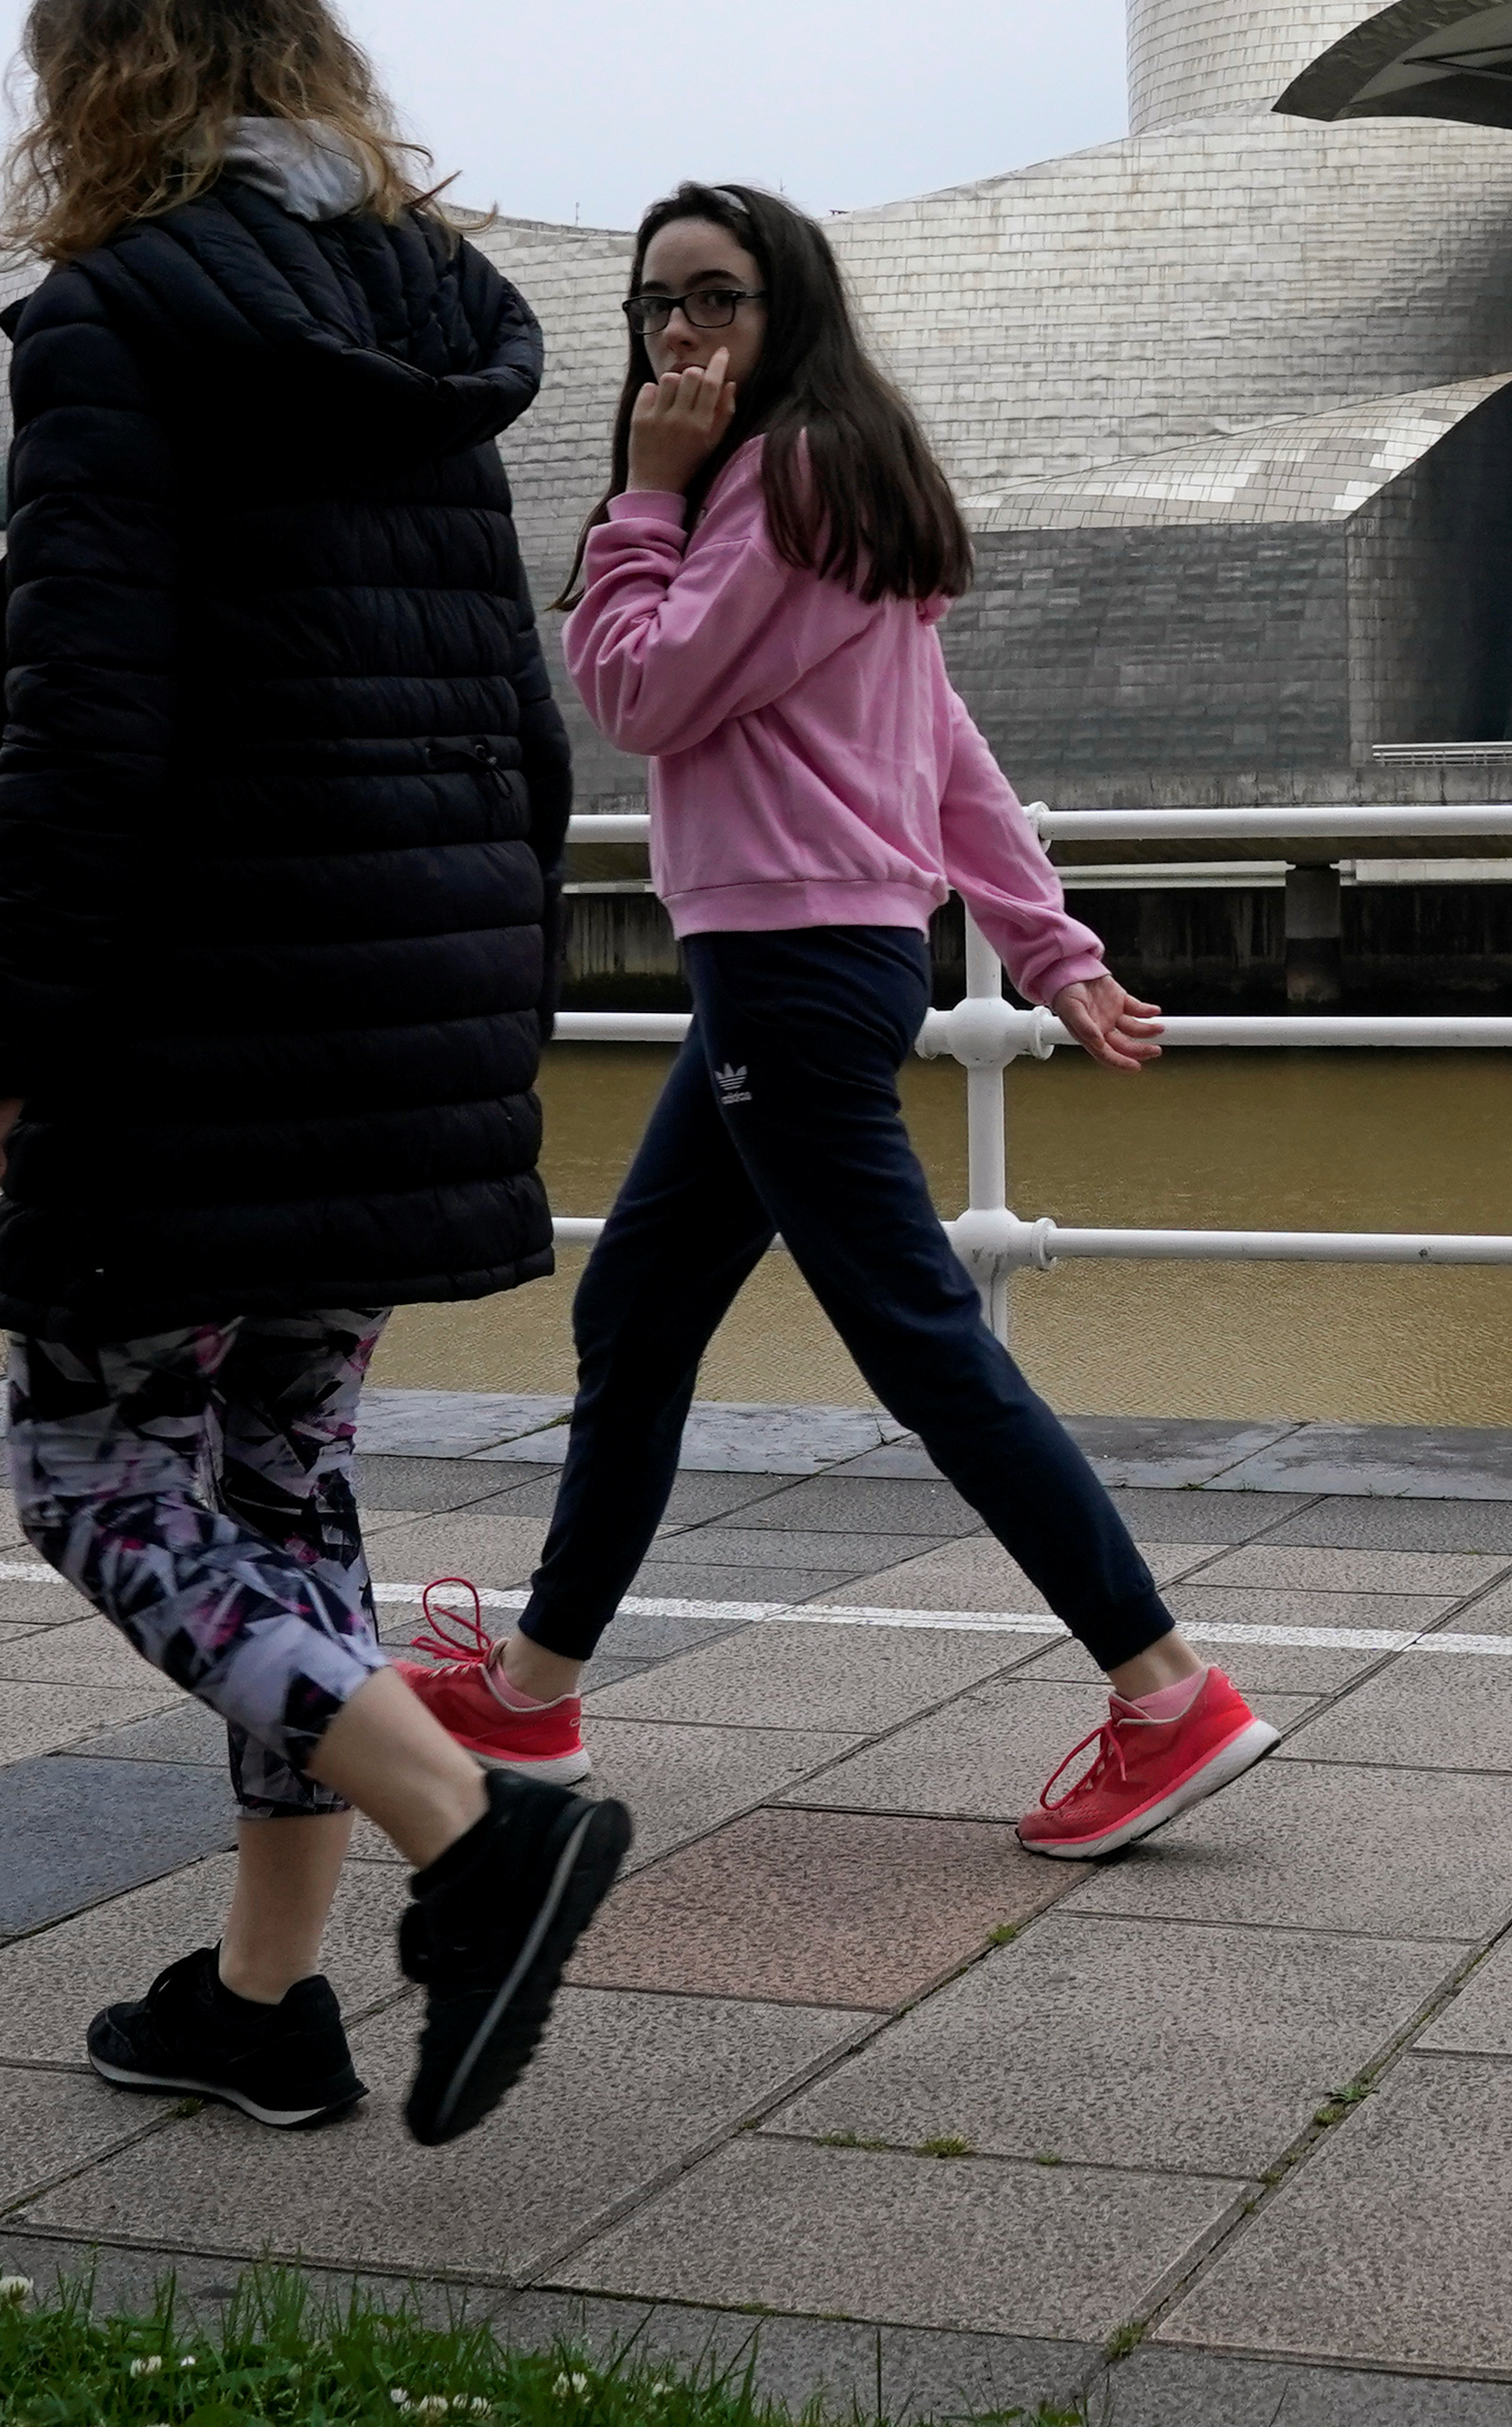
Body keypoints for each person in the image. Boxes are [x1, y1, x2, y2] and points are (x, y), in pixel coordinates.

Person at [0, 0, 630, 2148]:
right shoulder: (430, 327)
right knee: (284, 1481)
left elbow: (90, 729)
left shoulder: (121, 326)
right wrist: (475, 1025)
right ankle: (260, 1999)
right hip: (400, 1008)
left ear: (101, 83)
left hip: (194, 1016)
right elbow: (519, 729)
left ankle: (475, 1829)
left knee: (95, 1469)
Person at [395, 179, 1272, 1860]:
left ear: (786, 309)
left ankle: (1166, 1688)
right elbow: (940, 748)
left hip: (790, 971)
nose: (677, 332)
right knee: (639, 1315)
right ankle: (533, 1684)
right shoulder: (827, 479)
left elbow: (636, 692)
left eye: (714, 298)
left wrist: (640, 499)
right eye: (655, 303)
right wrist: (1051, 947)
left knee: (922, 1342)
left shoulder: (774, 483)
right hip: (806, 961)